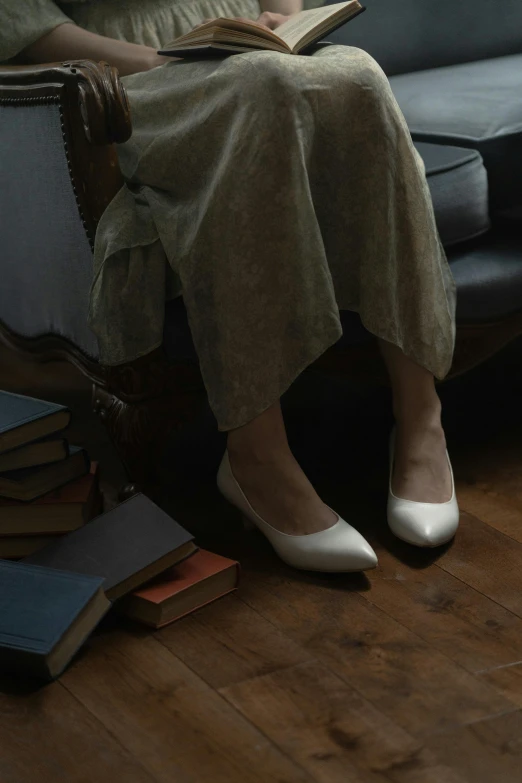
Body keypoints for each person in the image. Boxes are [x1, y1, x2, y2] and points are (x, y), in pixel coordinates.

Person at [0, 0, 459, 572]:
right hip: (119, 81)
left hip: (244, 48)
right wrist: (159, 58)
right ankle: (256, 456)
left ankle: (421, 418)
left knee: (360, 73)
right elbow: (23, 20)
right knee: (259, 87)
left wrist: (275, 19)